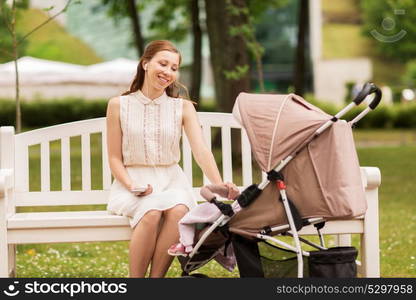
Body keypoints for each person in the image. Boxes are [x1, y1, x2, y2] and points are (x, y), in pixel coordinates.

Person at [106, 40, 238, 278]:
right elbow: (114, 157)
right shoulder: (118, 105)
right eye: (162, 64)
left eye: (174, 68)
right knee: (151, 212)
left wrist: (218, 184)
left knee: (178, 211)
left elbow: (201, 150)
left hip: (171, 180)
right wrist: (131, 185)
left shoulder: (183, 108)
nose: (167, 72)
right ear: (146, 64)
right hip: (133, 180)